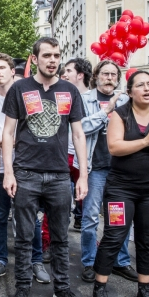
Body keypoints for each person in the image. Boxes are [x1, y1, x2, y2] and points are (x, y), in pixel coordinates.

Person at [1, 37, 89, 297]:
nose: (53, 60)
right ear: (35, 58)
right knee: (25, 237)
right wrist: (9, 172)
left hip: (60, 175)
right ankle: (22, 289)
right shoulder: (20, 88)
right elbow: (7, 132)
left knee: (62, 238)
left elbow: (78, 134)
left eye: (57, 55)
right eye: (47, 55)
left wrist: (82, 175)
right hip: (26, 173)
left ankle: (63, 290)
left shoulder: (69, 91)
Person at [92, 70, 149, 297]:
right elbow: (115, 147)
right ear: (130, 92)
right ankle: (100, 285)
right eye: (140, 85)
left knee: (147, 238)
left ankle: (144, 287)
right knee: (114, 235)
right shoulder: (120, 114)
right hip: (121, 189)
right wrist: (147, 140)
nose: (147, 89)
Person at [0, 52, 50, 285]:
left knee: (29, 217)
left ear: (13, 71)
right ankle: (0, 260)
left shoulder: (27, 95)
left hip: (26, 167)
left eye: (2, 68)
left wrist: (7, 139)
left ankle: (36, 261)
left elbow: (38, 128)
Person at [75, 60, 136, 284]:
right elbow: (79, 128)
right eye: (105, 74)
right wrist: (106, 112)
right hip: (95, 168)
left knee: (119, 218)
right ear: (96, 76)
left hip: (121, 169)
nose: (109, 78)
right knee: (90, 217)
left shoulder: (127, 101)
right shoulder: (84, 99)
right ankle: (90, 262)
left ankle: (120, 261)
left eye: (113, 74)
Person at [61, 58, 92, 232]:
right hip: (63, 154)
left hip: (85, 156)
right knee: (58, 200)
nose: (64, 75)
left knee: (85, 199)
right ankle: (49, 243)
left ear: (80, 75)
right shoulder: (61, 96)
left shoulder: (93, 100)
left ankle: (89, 253)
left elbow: (84, 128)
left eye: (68, 71)